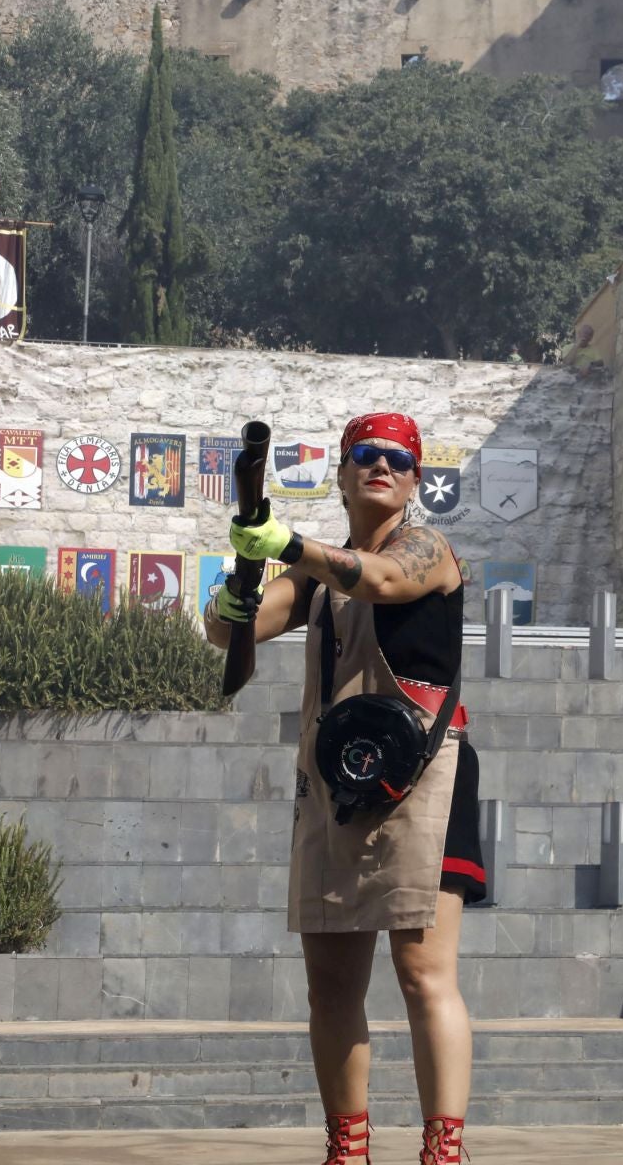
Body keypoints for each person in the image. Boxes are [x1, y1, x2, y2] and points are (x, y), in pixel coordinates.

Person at [206, 413, 485, 1165]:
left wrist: (288, 544)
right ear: (342, 472)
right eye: (365, 455)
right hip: (336, 777)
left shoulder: (427, 549)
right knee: (330, 987)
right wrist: (233, 596)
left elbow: (385, 579)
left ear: (417, 479)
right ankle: (348, 1148)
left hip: (426, 774)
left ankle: (442, 1149)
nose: (382, 466)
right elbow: (227, 630)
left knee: (424, 974)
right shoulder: (311, 576)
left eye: (399, 458)